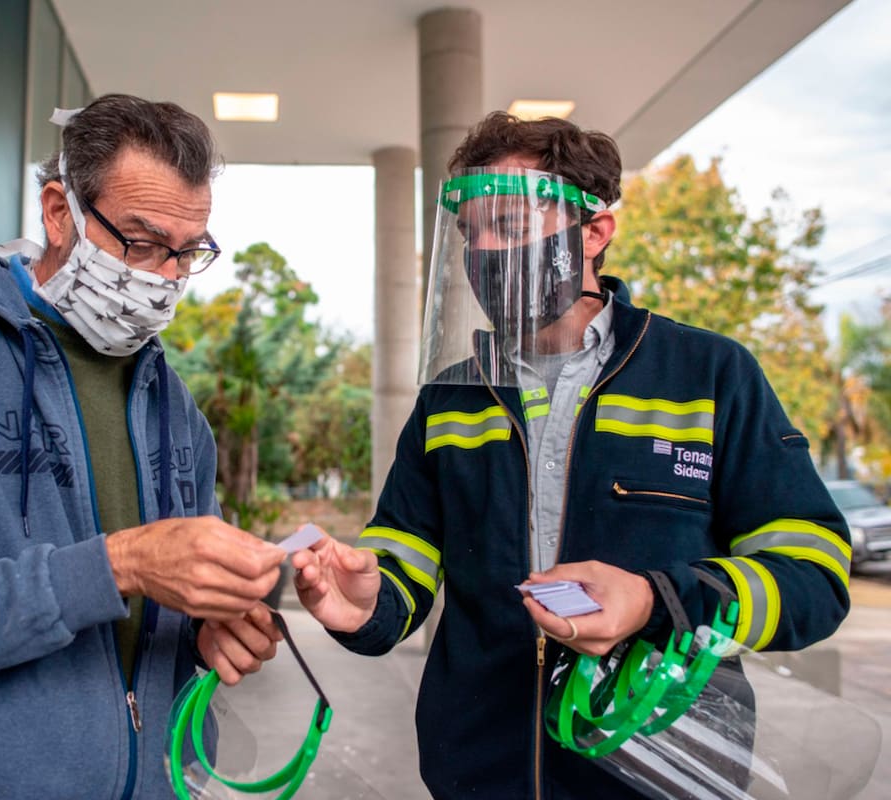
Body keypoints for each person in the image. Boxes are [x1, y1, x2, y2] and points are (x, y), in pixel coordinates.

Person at [291, 111, 851, 799]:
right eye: (471, 233)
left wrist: (654, 599)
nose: (486, 251)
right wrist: (368, 597)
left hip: (662, 775)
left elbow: (813, 573)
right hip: (477, 773)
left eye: (513, 225)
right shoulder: (453, 399)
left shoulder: (709, 375)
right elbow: (405, 552)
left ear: (595, 232)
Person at [0, 94, 288, 800]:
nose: (164, 277)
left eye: (186, 252)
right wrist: (117, 564)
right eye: (140, 242)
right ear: (58, 211)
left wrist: (211, 630)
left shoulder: (174, 406)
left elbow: (163, 615)